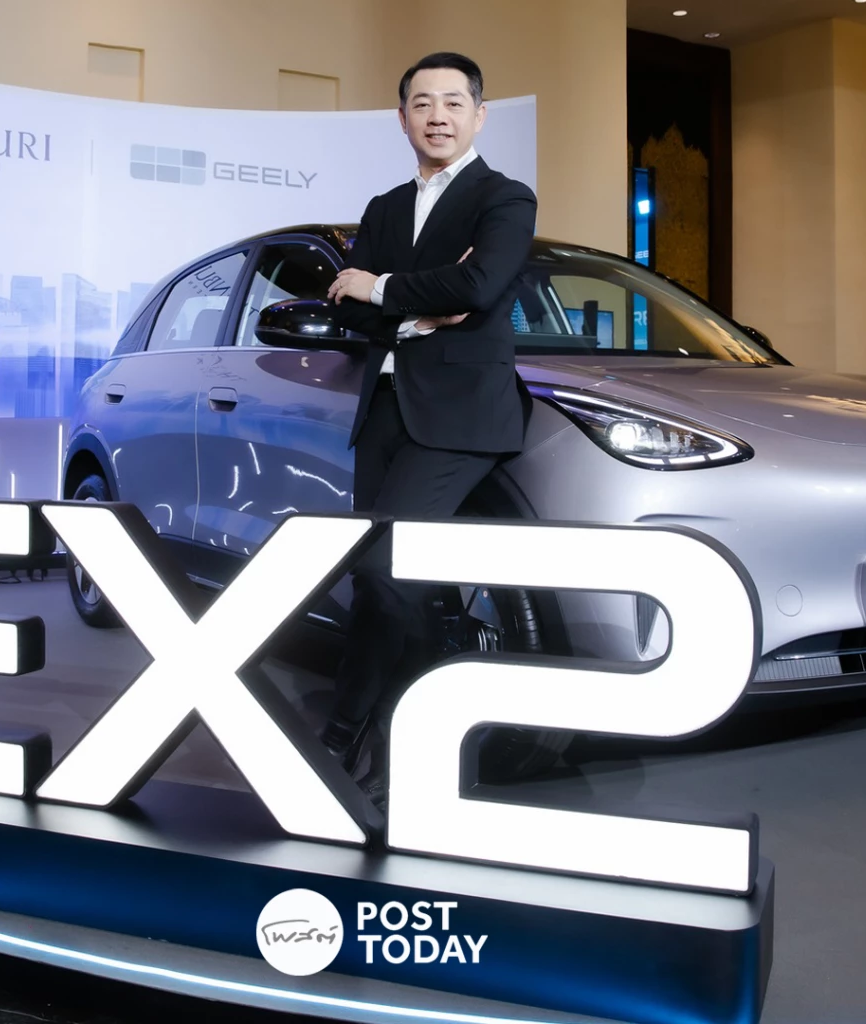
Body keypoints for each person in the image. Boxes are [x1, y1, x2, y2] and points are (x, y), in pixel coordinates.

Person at [316, 51, 538, 808]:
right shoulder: (384, 208)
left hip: (459, 415)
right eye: (421, 103)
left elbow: (479, 284)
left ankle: (368, 729)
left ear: (479, 114)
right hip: (383, 413)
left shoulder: (503, 198)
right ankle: (359, 736)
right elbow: (345, 306)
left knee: (388, 573)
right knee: (372, 578)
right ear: (403, 117)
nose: (437, 115)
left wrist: (381, 286)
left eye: (452, 102)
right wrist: (419, 308)